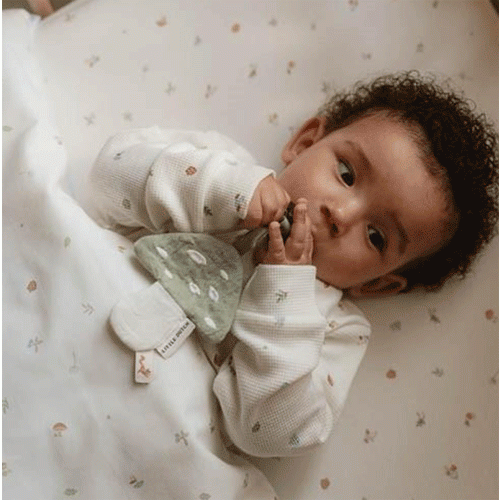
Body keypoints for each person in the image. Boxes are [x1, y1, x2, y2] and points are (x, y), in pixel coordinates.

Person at [86, 71, 498, 457]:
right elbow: (107, 175)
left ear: (376, 284)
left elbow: (268, 433)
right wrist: (220, 191)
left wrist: (283, 291)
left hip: (147, 446)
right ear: (304, 142)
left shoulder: (334, 329)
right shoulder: (221, 164)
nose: (340, 214)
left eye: (376, 237)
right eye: (346, 174)